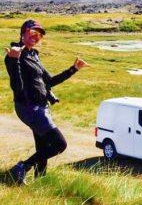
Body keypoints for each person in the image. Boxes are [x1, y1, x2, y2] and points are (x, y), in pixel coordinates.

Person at [4, 19, 88, 185]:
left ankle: (40, 183)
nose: (37, 36)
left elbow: (49, 81)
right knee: (59, 144)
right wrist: (14, 60)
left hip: (41, 106)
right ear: (23, 32)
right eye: (33, 32)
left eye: (40, 34)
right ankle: (21, 168)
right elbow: (17, 86)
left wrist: (74, 69)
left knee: (43, 147)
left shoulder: (33, 55)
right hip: (29, 107)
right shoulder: (14, 54)